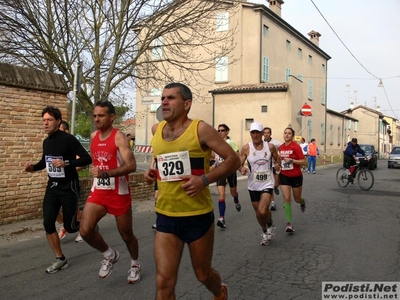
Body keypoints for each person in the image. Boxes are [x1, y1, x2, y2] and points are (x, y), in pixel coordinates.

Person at [144, 83, 239, 300]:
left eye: (171, 98)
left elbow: (234, 159)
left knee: (203, 275)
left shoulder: (200, 129)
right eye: (163, 98)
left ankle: (219, 292)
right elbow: (160, 162)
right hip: (166, 217)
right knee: (164, 282)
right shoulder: (156, 130)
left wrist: (204, 180)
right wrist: (152, 172)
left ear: (186, 104)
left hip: (197, 217)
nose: (164, 102)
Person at [79, 101, 142, 283]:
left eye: (101, 115)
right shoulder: (93, 136)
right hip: (99, 190)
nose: (97, 119)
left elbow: (132, 165)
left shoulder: (119, 137)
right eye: (95, 115)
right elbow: (96, 159)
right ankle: (109, 254)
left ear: (112, 117)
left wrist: (106, 172)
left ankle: (135, 263)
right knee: (85, 231)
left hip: (119, 192)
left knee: (126, 234)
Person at [23, 106, 92, 274]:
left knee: (71, 227)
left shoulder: (69, 139)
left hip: (69, 186)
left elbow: (87, 158)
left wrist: (66, 163)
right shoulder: (46, 142)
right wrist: (33, 167)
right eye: (44, 120)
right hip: (53, 187)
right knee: (48, 223)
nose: (45, 123)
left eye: (49, 120)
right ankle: (60, 259)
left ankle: (89, 225)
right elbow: (44, 163)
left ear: (58, 121)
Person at [240, 122, 281, 245]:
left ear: (262, 133)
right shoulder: (246, 148)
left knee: (263, 210)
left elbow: (277, 158)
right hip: (253, 185)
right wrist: (241, 168)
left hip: (267, 183)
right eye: (253, 132)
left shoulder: (270, 147)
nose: (255, 135)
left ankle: (270, 225)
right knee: (258, 212)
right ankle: (264, 231)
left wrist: (277, 164)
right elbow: (239, 162)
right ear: (250, 134)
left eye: (258, 132)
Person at [57, 120, 85, 242]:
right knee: (52, 209)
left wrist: (69, 169)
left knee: (74, 209)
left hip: (70, 182)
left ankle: (84, 229)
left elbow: (82, 161)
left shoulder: (72, 143)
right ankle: (64, 224)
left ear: (66, 131)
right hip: (57, 182)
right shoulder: (55, 143)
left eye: (60, 130)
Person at [278, 127, 307, 233]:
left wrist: (292, 160)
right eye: (285, 133)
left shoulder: (296, 147)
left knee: (297, 199)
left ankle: (302, 202)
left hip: (296, 176)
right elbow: (279, 161)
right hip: (284, 175)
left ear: (292, 136)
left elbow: (304, 162)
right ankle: (289, 224)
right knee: (287, 198)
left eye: (289, 133)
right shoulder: (280, 148)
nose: (286, 135)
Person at [214, 123, 242, 229]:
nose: (220, 132)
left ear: (227, 132)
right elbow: (214, 156)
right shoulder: (215, 143)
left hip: (230, 171)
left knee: (233, 192)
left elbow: (237, 157)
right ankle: (222, 218)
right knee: (221, 195)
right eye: (219, 130)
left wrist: (240, 167)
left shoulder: (231, 143)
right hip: (220, 171)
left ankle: (236, 199)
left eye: (222, 130)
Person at [263, 127, 282, 211]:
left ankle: (275, 187)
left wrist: (279, 158)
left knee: (276, 184)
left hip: (275, 166)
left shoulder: (276, 143)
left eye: (268, 133)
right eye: (265, 133)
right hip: (266, 167)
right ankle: (273, 203)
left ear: (270, 133)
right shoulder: (261, 143)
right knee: (269, 185)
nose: (266, 134)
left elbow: (282, 149)